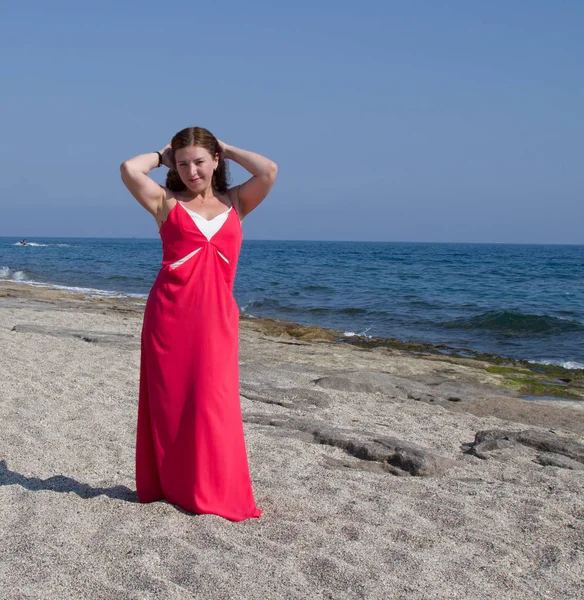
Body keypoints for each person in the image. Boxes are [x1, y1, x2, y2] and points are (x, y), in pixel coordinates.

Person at [120, 127, 277, 521]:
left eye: (200, 161)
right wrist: (162, 154)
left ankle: (214, 490)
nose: (192, 170)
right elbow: (128, 168)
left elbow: (269, 170)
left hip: (217, 320)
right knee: (171, 405)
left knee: (212, 404)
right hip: (168, 317)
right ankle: (174, 488)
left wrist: (226, 146)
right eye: (184, 163)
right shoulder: (165, 203)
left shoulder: (237, 201)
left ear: (215, 162)